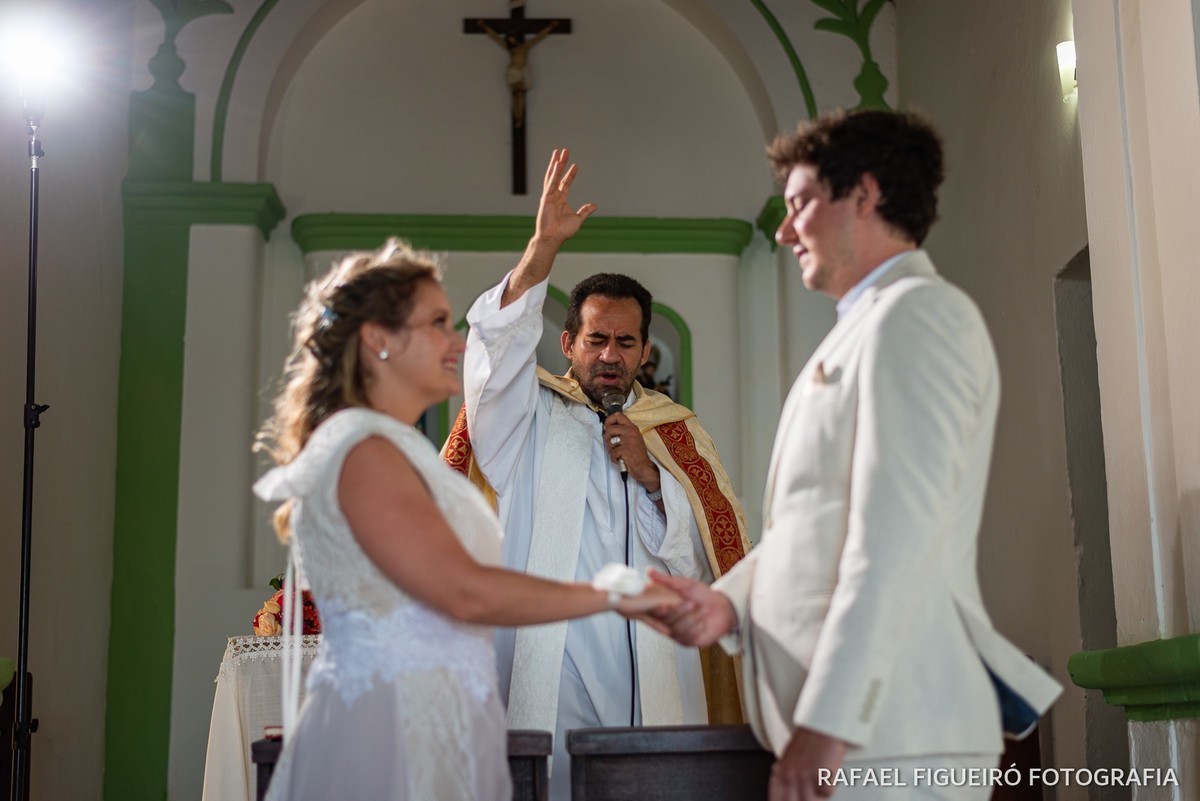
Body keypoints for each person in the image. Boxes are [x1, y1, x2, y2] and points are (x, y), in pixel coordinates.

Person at [643, 110, 1063, 801]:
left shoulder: (918, 317)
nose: (784, 231)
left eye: (800, 203)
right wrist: (727, 604)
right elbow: (816, 525)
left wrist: (829, 724)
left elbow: (894, 536)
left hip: (891, 733)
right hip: (865, 736)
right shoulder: (863, 328)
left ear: (864, 194)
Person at [252, 239, 677, 801]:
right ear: (378, 340)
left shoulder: (393, 449)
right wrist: (614, 597)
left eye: (625, 342)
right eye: (438, 324)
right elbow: (466, 591)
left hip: (433, 718)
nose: (458, 342)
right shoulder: (365, 450)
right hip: (387, 728)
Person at [442, 149, 750, 801]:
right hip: (547, 655)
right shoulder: (526, 414)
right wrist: (542, 250)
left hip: (655, 654)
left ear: (644, 351)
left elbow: (709, 561)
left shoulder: (674, 432)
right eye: (596, 339)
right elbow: (493, 352)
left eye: (626, 342)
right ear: (568, 344)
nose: (610, 354)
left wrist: (652, 478)